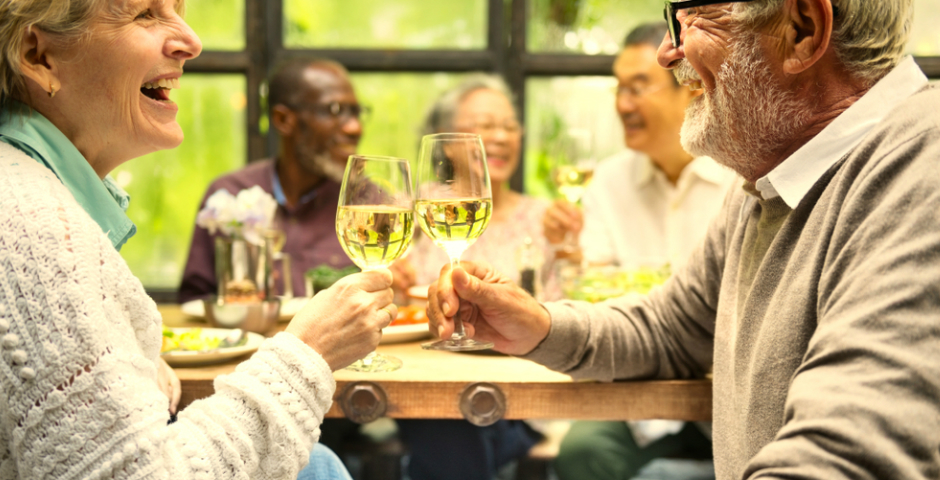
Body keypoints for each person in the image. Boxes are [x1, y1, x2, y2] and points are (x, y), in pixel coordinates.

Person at [426, 0, 940, 478]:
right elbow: (670, 330)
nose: (667, 52)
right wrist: (537, 325)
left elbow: (846, 456)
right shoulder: (771, 180)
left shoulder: (923, 170)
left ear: (802, 30)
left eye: (691, 16)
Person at [0, 1, 395, 478]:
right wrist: (306, 352)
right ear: (38, 55)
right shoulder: (36, 227)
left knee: (320, 463)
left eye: (179, 9)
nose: (192, 41)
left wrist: (132, 368)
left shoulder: (32, 195)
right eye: (145, 14)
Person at [543, 22, 737, 480]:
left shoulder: (740, 178)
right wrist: (567, 254)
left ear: (690, 89)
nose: (621, 103)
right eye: (618, 88)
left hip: (727, 390)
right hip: (640, 389)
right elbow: (593, 287)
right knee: (582, 452)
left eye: (638, 87)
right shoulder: (607, 182)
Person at [394, 74, 548, 480]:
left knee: (458, 429)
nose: (499, 136)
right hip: (430, 383)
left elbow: (563, 309)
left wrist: (571, 253)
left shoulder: (546, 218)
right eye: (485, 125)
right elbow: (396, 299)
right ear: (446, 142)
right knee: (450, 417)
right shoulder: (413, 207)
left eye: (509, 126)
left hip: (519, 387)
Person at [179, 57, 364, 302]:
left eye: (357, 113)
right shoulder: (228, 196)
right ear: (283, 120)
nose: (355, 128)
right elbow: (195, 302)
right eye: (335, 110)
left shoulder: (369, 203)